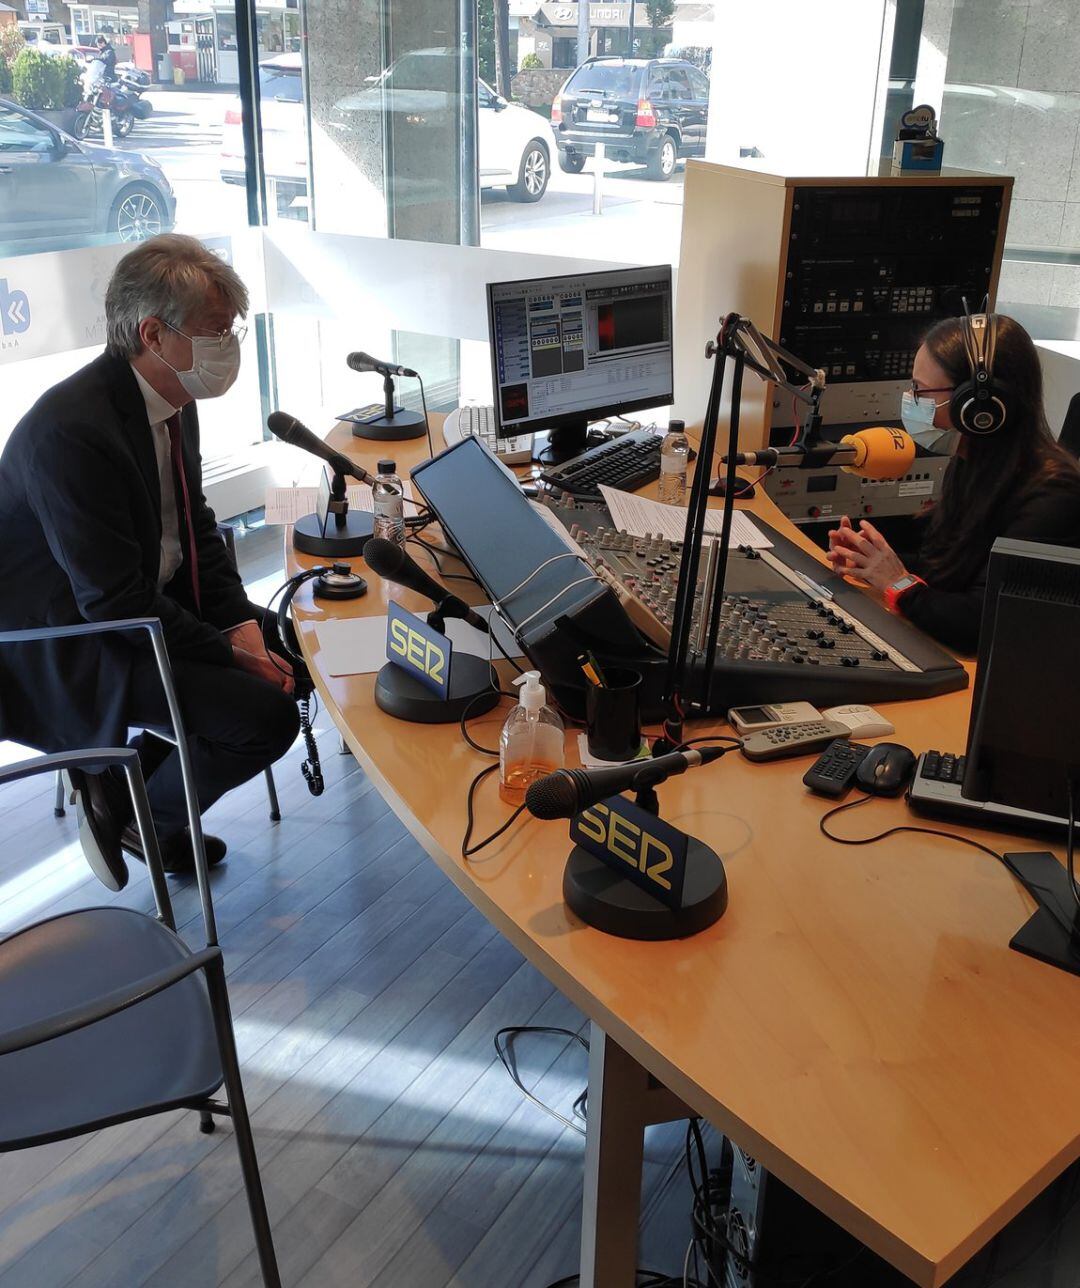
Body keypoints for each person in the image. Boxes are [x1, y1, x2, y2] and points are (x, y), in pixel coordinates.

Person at [0, 234, 300, 884]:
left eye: (231, 328)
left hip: (141, 598)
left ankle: (123, 783)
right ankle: (146, 817)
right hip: (76, 639)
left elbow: (195, 526)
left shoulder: (173, 399)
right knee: (265, 717)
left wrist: (237, 624)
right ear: (154, 335)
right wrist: (229, 653)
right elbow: (112, 603)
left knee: (295, 650)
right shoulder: (72, 432)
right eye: (215, 330)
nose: (228, 345)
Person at [826, 313, 1080, 654]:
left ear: (977, 405)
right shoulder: (972, 462)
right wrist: (869, 562)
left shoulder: (1054, 497)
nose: (910, 398)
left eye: (920, 390)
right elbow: (947, 569)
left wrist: (897, 583)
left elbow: (982, 623)